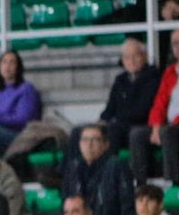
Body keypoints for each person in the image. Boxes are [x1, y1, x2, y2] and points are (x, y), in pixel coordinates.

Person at [131, 29, 179, 184]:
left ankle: (172, 183)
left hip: (174, 126)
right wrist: (156, 126)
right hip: (169, 125)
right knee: (137, 134)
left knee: (168, 133)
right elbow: (160, 102)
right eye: (175, 44)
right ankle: (141, 184)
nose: (178, 47)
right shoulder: (171, 72)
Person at [61, 124, 134, 215]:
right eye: (85, 140)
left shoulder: (116, 166)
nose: (89, 144)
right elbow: (65, 204)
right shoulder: (73, 168)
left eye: (95, 140)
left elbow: (127, 206)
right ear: (79, 144)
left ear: (106, 145)